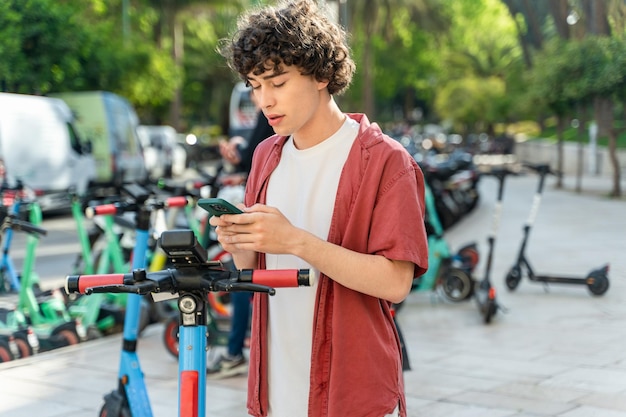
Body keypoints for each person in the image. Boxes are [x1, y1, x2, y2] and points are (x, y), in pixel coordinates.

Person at [211, 1, 428, 416]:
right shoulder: (265, 156)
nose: (263, 101)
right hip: (275, 385)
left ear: (322, 75)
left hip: (351, 389)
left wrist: (295, 241)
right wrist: (239, 240)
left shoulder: (385, 161)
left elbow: (396, 282)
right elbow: (255, 267)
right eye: (255, 86)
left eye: (276, 82)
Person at [209, 103, 275, 379]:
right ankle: (236, 350)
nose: (263, 97)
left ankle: (235, 351)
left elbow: (254, 153)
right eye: (255, 86)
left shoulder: (272, 115)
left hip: (265, 210)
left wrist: (239, 150)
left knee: (244, 280)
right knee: (243, 272)